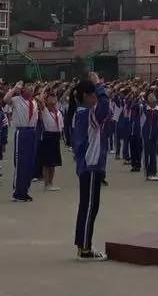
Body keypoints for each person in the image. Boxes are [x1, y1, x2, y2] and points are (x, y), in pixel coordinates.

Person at [72, 75, 112, 261]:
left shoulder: (79, 113)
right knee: (89, 207)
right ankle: (86, 248)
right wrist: (99, 84)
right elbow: (105, 106)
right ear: (87, 96)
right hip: (91, 164)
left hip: (86, 164)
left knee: (86, 207)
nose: (96, 97)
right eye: (93, 94)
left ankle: (82, 245)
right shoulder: (88, 114)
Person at [2, 82, 39, 202]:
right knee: (20, 163)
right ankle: (17, 192)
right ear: (23, 90)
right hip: (22, 132)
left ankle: (25, 191)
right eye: (28, 87)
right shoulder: (17, 100)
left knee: (30, 163)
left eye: (32, 87)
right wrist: (14, 89)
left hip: (32, 131)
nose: (31, 89)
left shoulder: (34, 101)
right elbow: (6, 99)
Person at [39, 92, 64, 192]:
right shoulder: (45, 111)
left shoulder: (58, 112)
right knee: (46, 162)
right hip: (47, 136)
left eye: (55, 98)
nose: (53, 100)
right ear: (46, 100)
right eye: (51, 98)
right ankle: (46, 184)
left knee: (53, 162)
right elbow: (40, 100)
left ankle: (51, 183)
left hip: (56, 136)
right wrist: (44, 90)